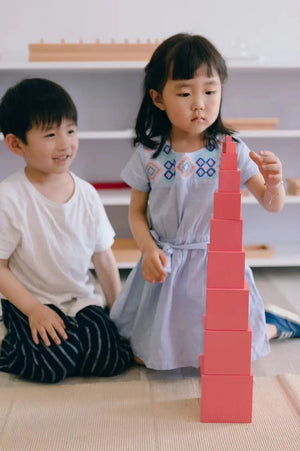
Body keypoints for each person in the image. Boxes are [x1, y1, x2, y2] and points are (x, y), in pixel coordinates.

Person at [110, 33, 299, 371]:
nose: (199, 103)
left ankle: (277, 326)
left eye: (210, 91)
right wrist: (147, 248)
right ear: (158, 98)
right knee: (143, 354)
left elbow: (272, 204)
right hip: (166, 262)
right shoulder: (149, 153)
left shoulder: (231, 149)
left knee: (227, 346)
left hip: (217, 263)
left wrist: (275, 183)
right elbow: (136, 213)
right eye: (185, 92)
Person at [0, 78, 134, 383]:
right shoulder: (9, 197)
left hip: (80, 298)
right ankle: (8, 344)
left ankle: (73, 338)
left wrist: (119, 315)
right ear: (16, 143)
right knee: (54, 365)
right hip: (30, 302)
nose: (65, 144)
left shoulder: (86, 193)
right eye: (50, 134)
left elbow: (104, 259)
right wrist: (34, 309)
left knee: (109, 359)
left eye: (70, 130)